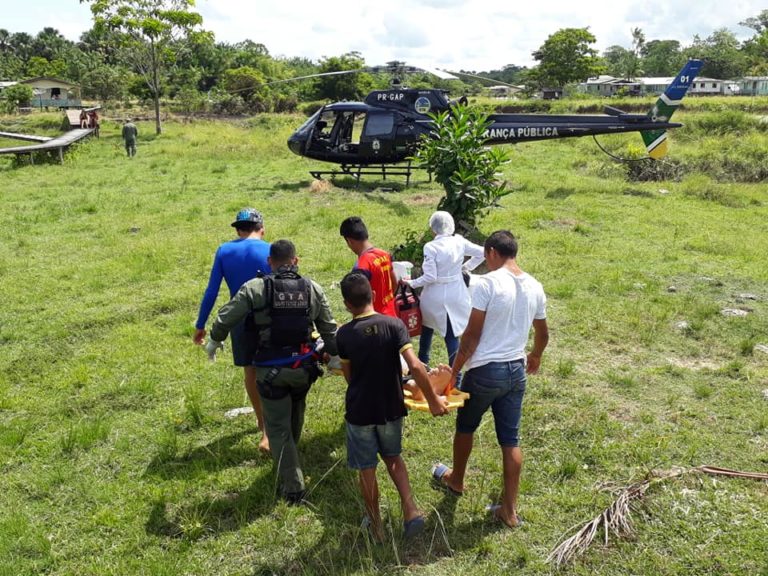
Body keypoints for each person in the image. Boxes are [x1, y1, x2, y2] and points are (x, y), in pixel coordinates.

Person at [205, 240, 339, 504]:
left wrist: (214, 339)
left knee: (277, 427)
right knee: (295, 412)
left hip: (270, 372)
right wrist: (336, 356)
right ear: (295, 261)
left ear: (270, 262)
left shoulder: (255, 288)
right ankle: (289, 454)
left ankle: (293, 488)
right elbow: (329, 329)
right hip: (303, 369)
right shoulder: (313, 288)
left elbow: (227, 315)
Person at [431, 230, 548, 529]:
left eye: (486, 256)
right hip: (515, 371)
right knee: (510, 440)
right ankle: (509, 511)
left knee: (466, 426)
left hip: (484, 371)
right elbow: (543, 333)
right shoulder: (534, 286)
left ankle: (456, 480)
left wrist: (454, 370)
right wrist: (535, 355)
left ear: (492, 252)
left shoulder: (487, 283)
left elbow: (471, 337)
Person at [336, 272, 448, 540]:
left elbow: (349, 376)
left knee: (367, 468)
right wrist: (432, 400)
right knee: (393, 457)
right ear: (372, 296)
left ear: (346, 304)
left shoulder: (344, 335)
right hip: (391, 406)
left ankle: (376, 527)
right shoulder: (394, 325)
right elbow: (416, 365)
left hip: (360, 411)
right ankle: (411, 511)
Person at [194, 208, 271, 452]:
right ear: (262, 229)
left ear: (238, 230)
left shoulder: (224, 251)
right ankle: (274, 428)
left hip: (240, 319)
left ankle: (262, 423)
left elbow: (212, 291)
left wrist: (201, 325)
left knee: (250, 370)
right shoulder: (271, 249)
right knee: (272, 367)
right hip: (270, 317)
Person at [403, 211, 484, 380]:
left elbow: (430, 277)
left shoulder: (431, 247)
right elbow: (482, 252)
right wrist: (466, 267)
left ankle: (421, 370)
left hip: (434, 296)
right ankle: (456, 377)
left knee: (427, 331)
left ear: (433, 229)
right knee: (451, 335)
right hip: (456, 293)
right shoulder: (459, 241)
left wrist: (411, 283)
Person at [339, 216, 397, 317]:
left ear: (349, 241)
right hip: (392, 316)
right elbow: (395, 284)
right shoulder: (385, 255)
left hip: (374, 322)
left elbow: (358, 303)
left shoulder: (362, 266)